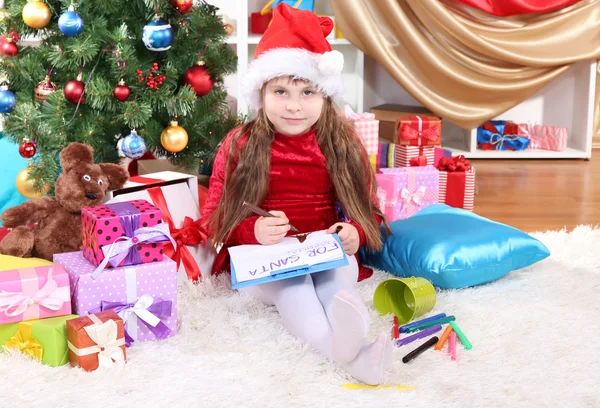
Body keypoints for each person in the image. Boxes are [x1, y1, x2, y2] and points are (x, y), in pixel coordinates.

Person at [200, 3, 392, 385]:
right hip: (266, 260)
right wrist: (252, 230)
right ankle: (347, 356)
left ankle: (347, 338)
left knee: (335, 277)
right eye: (281, 91)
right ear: (261, 92)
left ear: (325, 97)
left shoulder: (341, 142)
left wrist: (353, 230)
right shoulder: (240, 143)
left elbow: (369, 210)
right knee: (295, 286)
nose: (293, 105)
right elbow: (212, 217)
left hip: (323, 248)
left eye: (307, 92)